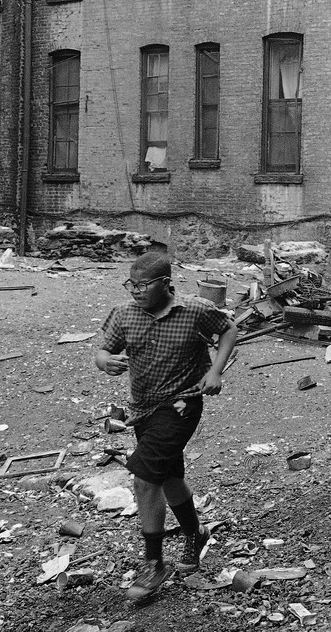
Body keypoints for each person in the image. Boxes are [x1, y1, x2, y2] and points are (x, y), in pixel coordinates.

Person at [95, 252, 238, 599]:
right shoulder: (124, 315)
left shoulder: (195, 311)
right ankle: (194, 533)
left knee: (145, 479)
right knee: (169, 476)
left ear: (165, 284)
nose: (136, 291)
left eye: (143, 285)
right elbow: (102, 350)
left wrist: (215, 370)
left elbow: (229, 330)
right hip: (143, 409)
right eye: (131, 284)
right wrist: (105, 362)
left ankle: (154, 563)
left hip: (183, 404)